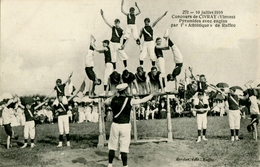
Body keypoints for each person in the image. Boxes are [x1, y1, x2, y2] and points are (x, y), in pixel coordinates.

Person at [104, 83, 159, 167]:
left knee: (112, 146)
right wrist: (152, 95)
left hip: (115, 125)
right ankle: (125, 166)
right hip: (125, 126)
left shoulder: (113, 99)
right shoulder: (129, 100)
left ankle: (110, 164)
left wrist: (114, 95)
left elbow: (105, 102)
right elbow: (143, 100)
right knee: (124, 147)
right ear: (125, 90)